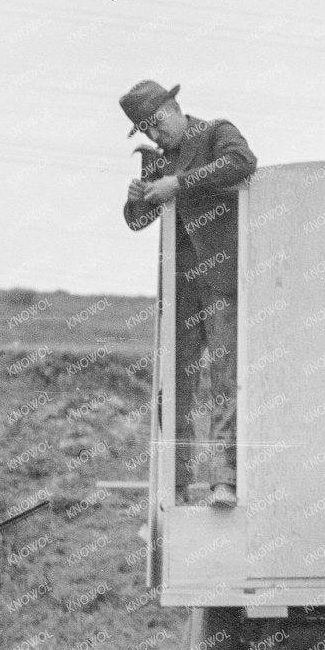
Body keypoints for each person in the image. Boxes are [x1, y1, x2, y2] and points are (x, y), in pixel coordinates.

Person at [119, 80, 257, 506]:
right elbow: (137, 221)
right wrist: (138, 199)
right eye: (147, 131)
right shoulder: (158, 159)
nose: (154, 136)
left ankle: (224, 479)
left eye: (156, 126)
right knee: (176, 380)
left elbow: (242, 163)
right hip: (179, 285)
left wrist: (177, 184)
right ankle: (176, 483)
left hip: (220, 280)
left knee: (225, 377)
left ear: (172, 110)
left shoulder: (217, 132)